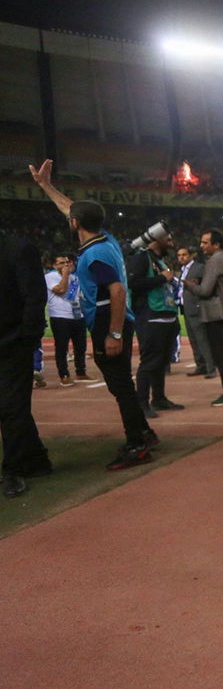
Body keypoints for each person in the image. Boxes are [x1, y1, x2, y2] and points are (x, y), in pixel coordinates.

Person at [28, 159, 155, 469]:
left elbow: (117, 291)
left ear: (75, 224)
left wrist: (112, 334)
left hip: (107, 321)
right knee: (121, 381)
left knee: (120, 384)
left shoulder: (94, 254)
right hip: (114, 319)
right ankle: (143, 433)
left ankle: (137, 443)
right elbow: (71, 208)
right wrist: (46, 186)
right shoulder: (105, 239)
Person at [0, 231, 53, 497]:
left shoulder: (19, 247)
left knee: (12, 408)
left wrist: (26, 339)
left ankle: (13, 470)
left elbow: (35, 296)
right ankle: (37, 460)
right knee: (11, 407)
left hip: (12, 343)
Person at [127, 224, 183, 417]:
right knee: (150, 362)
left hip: (166, 316)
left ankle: (158, 399)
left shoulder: (159, 260)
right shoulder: (141, 258)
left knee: (161, 362)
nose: (171, 243)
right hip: (150, 317)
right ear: (156, 239)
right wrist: (161, 278)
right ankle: (141, 403)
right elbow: (133, 284)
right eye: (167, 239)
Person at [185, 230, 223, 406]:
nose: (201, 246)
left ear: (216, 244)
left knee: (220, 355)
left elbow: (205, 291)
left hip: (216, 314)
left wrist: (189, 286)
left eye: (205, 242)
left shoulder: (215, 261)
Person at [45, 253, 93, 387]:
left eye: (67, 262)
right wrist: (65, 275)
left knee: (81, 346)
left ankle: (81, 372)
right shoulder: (50, 277)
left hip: (77, 315)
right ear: (54, 265)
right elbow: (60, 290)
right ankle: (64, 375)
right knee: (62, 347)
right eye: (61, 263)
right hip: (60, 316)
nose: (66, 265)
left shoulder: (75, 278)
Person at [177, 246, 215, 378]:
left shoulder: (199, 268)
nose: (181, 257)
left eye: (184, 255)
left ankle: (211, 368)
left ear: (191, 256)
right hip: (186, 308)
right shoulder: (183, 270)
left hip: (196, 307)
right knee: (193, 339)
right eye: (179, 255)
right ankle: (201, 365)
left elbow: (203, 286)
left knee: (202, 339)